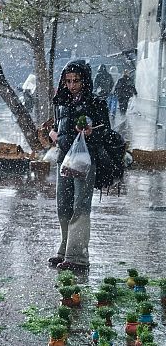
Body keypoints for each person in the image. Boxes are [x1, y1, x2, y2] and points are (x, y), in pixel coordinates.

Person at [47, 60, 111, 271]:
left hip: (85, 160)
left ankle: (78, 257)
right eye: (68, 81)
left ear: (85, 81)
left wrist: (92, 132)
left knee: (80, 208)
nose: (72, 85)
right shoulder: (61, 102)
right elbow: (58, 128)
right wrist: (53, 135)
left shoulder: (95, 102)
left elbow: (106, 133)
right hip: (64, 159)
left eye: (76, 81)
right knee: (63, 207)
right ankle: (65, 250)